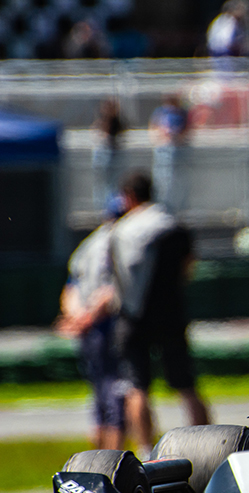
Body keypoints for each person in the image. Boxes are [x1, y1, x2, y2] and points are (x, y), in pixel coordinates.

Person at [111, 172, 210, 459]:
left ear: (129, 196)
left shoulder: (122, 229)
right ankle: (206, 444)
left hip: (133, 316)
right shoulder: (172, 225)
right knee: (186, 384)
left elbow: (116, 276)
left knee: (137, 386)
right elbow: (187, 268)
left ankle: (145, 451)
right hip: (171, 313)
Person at [55, 197, 129, 451]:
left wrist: (76, 317)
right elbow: (111, 289)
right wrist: (87, 317)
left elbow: (71, 288)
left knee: (99, 396)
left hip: (88, 327)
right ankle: (113, 460)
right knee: (116, 394)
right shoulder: (118, 240)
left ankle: (97, 461)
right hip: (106, 325)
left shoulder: (89, 243)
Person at [148, 93, 190, 214]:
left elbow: (186, 131)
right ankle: (163, 207)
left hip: (177, 151)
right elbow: (153, 128)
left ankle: (178, 208)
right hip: (162, 150)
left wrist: (176, 138)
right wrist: (160, 138)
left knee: (177, 182)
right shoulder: (160, 112)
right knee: (161, 180)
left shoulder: (181, 113)